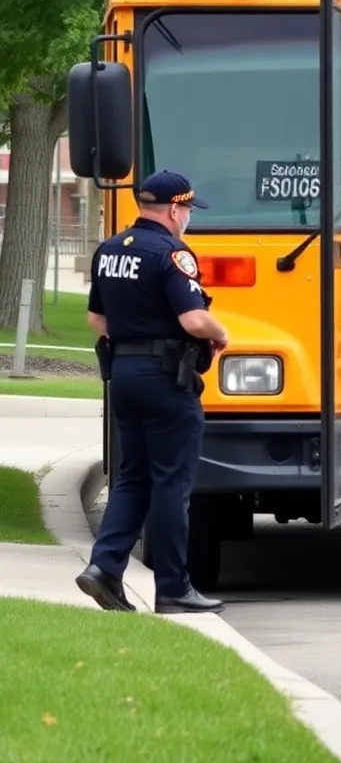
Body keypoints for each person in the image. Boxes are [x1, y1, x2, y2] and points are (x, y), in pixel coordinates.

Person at [75, 170, 230, 615]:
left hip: (122, 375)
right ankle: (174, 587)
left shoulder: (109, 250)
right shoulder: (172, 253)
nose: (187, 220)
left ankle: (103, 568)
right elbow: (194, 321)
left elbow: (97, 320)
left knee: (133, 478)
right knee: (171, 484)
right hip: (166, 379)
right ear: (175, 209)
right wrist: (222, 335)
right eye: (187, 211)